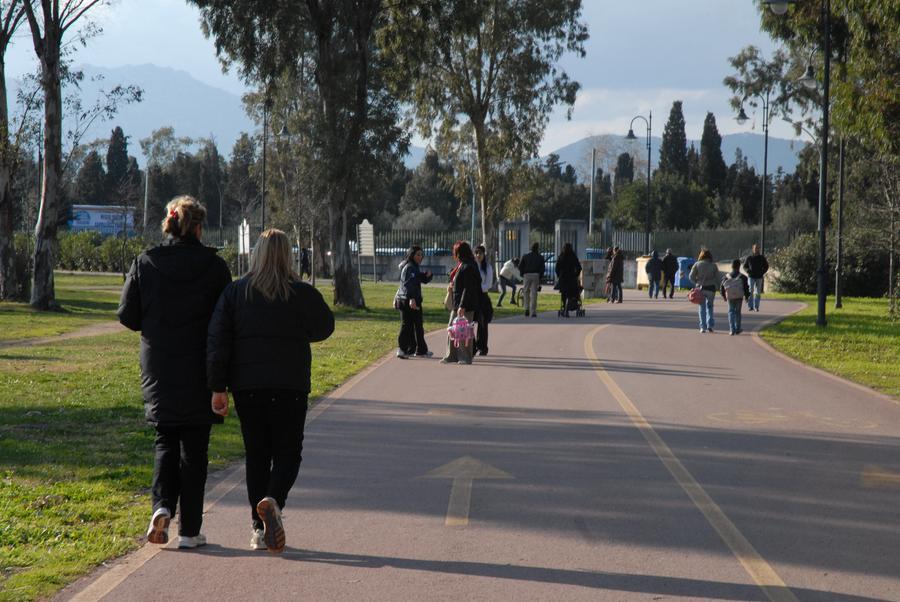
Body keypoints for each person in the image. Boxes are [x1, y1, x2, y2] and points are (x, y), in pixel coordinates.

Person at [207, 229, 335, 553]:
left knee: (257, 454)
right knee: (289, 452)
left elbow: (218, 340)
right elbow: (325, 327)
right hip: (290, 383)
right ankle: (273, 500)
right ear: (288, 256)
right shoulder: (301, 293)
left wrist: (217, 387)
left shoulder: (236, 293)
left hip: (247, 386)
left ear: (257, 254)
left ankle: (258, 528)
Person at [117, 195, 232, 550]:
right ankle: (189, 531)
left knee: (165, 441)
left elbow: (127, 315)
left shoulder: (145, 262)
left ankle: (161, 506)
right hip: (200, 367)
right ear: (198, 228)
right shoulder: (215, 268)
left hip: (160, 366)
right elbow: (225, 321)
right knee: (195, 450)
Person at [441, 241, 481, 364]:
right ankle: (451, 355)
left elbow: (468, 288)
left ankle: (465, 357)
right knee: (452, 329)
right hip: (457, 303)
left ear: (459, 253)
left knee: (463, 331)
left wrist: (462, 306)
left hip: (465, 304)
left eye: (455, 252)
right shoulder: (462, 265)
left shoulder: (468, 266)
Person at [395, 246, 434, 359]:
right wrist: (412, 299)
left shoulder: (414, 267)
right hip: (408, 300)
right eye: (417, 254)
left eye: (421, 254)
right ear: (412, 255)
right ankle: (402, 349)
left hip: (411, 300)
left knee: (417, 326)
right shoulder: (409, 267)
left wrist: (428, 276)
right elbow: (408, 284)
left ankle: (419, 350)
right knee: (407, 326)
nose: (420, 257)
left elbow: (419, 279)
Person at [689, 248, 720, 333]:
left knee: (702, 308)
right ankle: (710, 325)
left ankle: (703, 327)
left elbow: (691, 277)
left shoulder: (697, 264)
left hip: (700, 289)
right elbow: (718, 278)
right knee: (710, 307)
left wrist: (696, 282)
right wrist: (719, 287)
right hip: (711, 289)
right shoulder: (713, 265)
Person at [721, 258, 751, 335]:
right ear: (739, 266)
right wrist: (747, 297)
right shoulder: (743, 277)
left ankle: (732, 329)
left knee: (731, 312)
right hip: (739, 297)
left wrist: (724, 296)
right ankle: (738, 328)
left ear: (732, 266)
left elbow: (722, 287)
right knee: (738, 312)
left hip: (730, 297)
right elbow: (746, 288)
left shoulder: (726, 277)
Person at [473, 244, 493, 356]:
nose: (478, 255)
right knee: (470, 323)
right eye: (476, 253)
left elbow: (488, 284)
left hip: (482, 298)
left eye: (480, 253)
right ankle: (472, 346)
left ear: (484, 254)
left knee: (483, 324)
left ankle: (482, 347)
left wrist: (477, 288)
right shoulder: (472, 266)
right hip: (472, 297)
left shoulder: (488, 268)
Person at [519, 242, 545, 318]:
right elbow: (542, 268)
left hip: (526, 275)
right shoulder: (540, 257)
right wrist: (540, 277)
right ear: (537, 248)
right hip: (536, 275)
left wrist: (522, 274)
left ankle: (526, 308)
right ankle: (533, 311)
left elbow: (520, 266)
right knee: (534, 293)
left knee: (526, 292)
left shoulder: (525, 256)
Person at [555, 242, 582, 314]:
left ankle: (564, 306)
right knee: (572, 293)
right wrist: (576, 275)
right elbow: (579, 267)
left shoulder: (561, 256)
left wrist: (558, 275)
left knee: (564, 293)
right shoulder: (573, 256)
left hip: (563, 277)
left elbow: (557, 267)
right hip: (571, 277)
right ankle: (571, 305)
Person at [742, 244, 769, 312]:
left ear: (759, 249)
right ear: (753, 249)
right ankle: (750, 306)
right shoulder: (749, 258)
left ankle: (756, 307)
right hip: (751, 277)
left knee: (758, 292)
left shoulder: (762, 258)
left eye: (758, 248)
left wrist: (762, 272)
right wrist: (748, 271)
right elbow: (745, 266)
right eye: (755, 248)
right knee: (750, 291)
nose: (756, 249)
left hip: (759, 277)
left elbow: (766, 266)